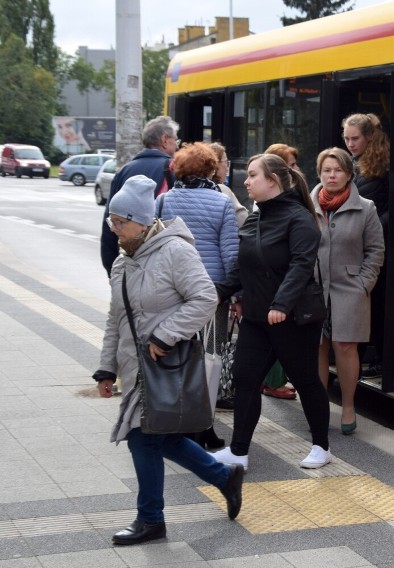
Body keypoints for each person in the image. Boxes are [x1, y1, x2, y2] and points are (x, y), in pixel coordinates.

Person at [92, 175, 244, 546]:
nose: (114, 229)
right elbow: (116, 318)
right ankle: (224, 478)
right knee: (167, 437)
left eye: (120, 222)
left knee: (141, 439)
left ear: (142, 221)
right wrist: (106, 367)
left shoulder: (175, 251)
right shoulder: (122, 263)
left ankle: (150, 520)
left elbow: (205, 298)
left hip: (163, 362)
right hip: (134, 365)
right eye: (111, 221)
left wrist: (166, 334)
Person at [212, 153, 332, 470]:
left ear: (273, 180)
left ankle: (322, 446)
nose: (246, 181)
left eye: (252, 175)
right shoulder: (256, 217)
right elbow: (244, 267)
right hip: (256, 317)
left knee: (306, 380)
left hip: (292, 319)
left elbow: (301, 266)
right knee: (244, 378)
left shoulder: (300, 218)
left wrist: (281, 304)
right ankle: (239, 452)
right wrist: (220, 291)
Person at [156, 142, 240, 450]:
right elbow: (231, 254)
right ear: (210, 169)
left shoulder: (164, 202)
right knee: (210, 357)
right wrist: (235, 293)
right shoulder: (222, 203)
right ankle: (204, 427)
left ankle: (174, 422)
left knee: (177, 355)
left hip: (173, 290)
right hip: (211, 293)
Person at [311, 147, 384, 435]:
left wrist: (363, 284)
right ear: (319, 173)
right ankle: (318, 409)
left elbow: (376, 250)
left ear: (349, 174)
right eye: (327, 170)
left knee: (345, 347)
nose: (332, 175)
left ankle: (349, 406)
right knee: (317, 347)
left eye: (338, 170)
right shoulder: (307, 204)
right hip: (314, 289)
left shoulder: (366, 207)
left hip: (350, 288)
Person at [342, 113, 390, 380]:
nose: (350, 143)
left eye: (355, 138)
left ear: (369, 137)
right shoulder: (352, 163)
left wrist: (369, 226)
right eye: (347, 138)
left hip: (374, 246)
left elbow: (392, 209)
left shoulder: (383, 166)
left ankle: (377, 357)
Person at [100, 116, 180, 276]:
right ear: (165, 140)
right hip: (162, 264)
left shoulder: (124, 171)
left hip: (127, 261)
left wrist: (111, 270)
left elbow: (109, 223)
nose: (177, 146)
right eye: (176, 140)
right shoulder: (174, 170)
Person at [260, 143, 303, 400]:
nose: (296, 169)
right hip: (273, 287)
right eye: (291, 164)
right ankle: (273, 381)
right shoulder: (269, 206)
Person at [209, 142, 249, 227]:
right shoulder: (222, 189)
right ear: (215, 165)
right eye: (226, 162)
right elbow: (242, 219)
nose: (227, 168)